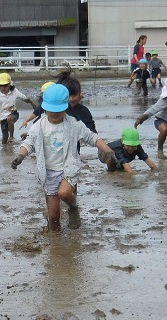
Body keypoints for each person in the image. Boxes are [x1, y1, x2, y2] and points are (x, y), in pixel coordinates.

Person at [10, 84, 113, 232]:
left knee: (64, 193)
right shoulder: (39, 126)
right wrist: (21, 155)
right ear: (45, 107)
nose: (54, 113)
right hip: (48, 172)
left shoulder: (74, 125)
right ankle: (56, 244)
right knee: (53, 217)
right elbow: (29, 142)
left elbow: (92, 137)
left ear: (65, 107)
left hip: (68, 168)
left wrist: (108, 151)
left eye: (58, 110)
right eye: (51, 110)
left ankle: (73, 207)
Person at [0, 72, 29, 144]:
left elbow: (23, 97)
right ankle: (5, 149)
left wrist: (31, 103)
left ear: (9, 84)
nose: (3, 87)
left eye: (5, 85)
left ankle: (11, 136)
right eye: (1, 85)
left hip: (13, 114)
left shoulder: (14, 91)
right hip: (3, 118)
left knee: (9, 119)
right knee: (4, 137)